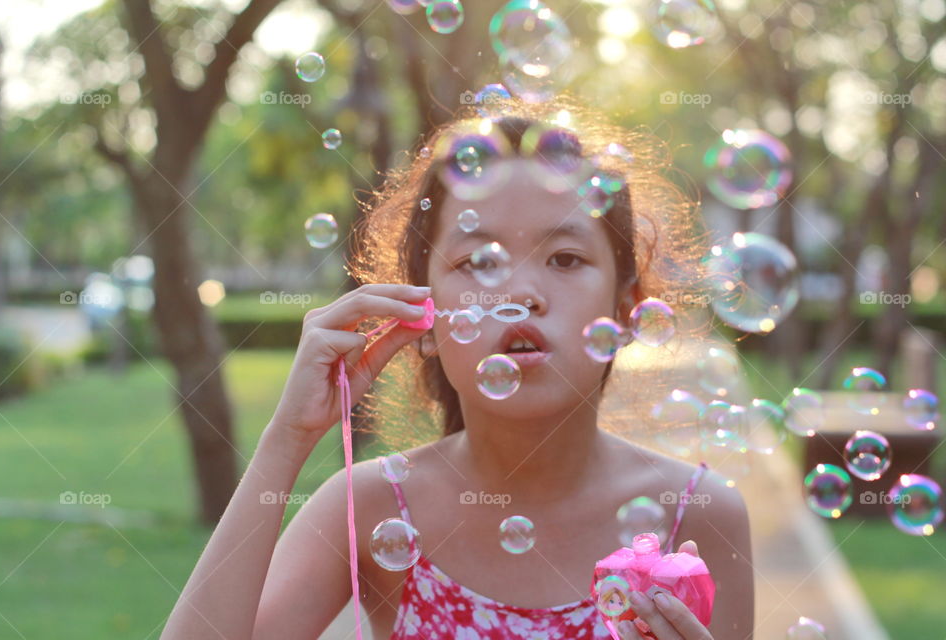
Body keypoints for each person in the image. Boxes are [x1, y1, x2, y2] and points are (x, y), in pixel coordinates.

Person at [160, 97, 754, 640]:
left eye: (565, 258)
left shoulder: (699, 518)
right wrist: (287, 440)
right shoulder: (374, 507)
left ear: (626, 309)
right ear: (423, 315)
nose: (522, 292)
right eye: (477, 262)